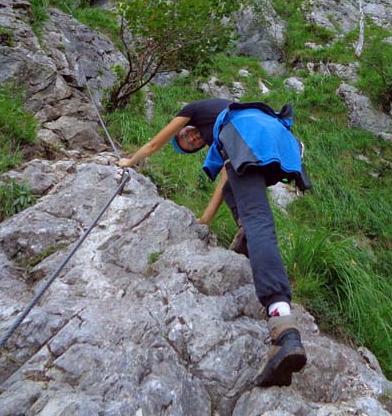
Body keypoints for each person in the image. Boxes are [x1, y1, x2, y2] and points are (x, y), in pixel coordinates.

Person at [118, 97, 308, 387]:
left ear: (187, 126)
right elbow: (225, 182)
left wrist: (128, 162)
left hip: (253, 136)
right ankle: (246, 236)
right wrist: (204, 220)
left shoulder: (194, 110)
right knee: (239, 191)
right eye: (190, 145)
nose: (191, 138)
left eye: (187, 135)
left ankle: (283, 328)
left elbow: (155, 144)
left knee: (259, 223)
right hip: (274, 137)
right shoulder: (227, 123)